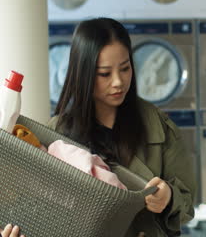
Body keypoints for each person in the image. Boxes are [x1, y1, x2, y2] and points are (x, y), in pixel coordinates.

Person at [46, 17, 196, 236]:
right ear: (84, 74)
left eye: (125, 69)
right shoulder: (55, 134)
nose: (118, 81)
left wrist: (169, 197)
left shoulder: (157, 125)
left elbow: (189, 202)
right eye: (105, 73)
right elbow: (44, 208)